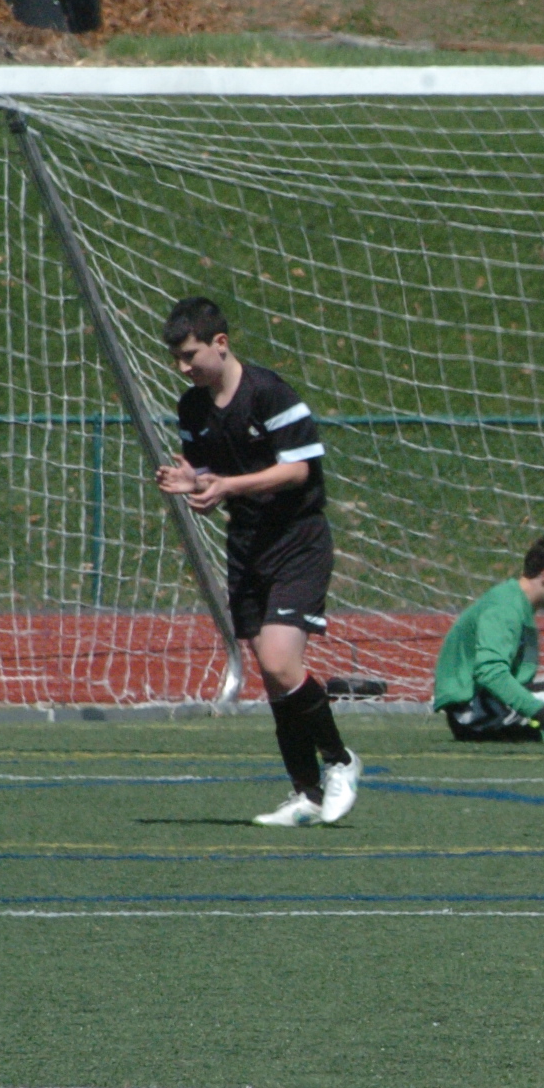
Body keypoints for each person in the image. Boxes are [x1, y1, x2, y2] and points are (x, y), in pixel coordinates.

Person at [152, 298, 361, 828]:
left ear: (220, 343)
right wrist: (194, 484)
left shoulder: (268, 392)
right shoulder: (192, 408)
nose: (183, 367)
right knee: (273, 680)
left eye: (191, 355)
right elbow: (212, 480)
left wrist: (225, 486)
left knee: (279, 662)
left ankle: (340, 760)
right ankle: (306, 793)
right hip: (247, 546)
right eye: (176, 358)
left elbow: (298, 470)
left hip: (297, 542)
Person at [433, 533, 544, 743]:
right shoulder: (505, 607)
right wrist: (543, 715)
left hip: (480, 709)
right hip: (474, 712)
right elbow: (490, 672)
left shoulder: (518, 604)